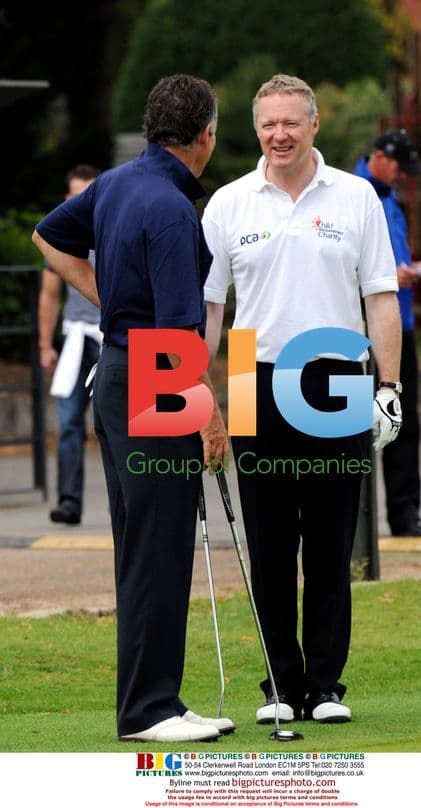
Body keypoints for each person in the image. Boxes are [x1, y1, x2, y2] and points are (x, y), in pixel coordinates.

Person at [32, 74, 233, 743]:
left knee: (144, 547)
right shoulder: (174, 210)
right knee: (159, 546)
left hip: (117, 374)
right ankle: (150, 710)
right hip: (153, 375)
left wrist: (105, 292)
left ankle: (153, 702)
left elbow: (46, 236)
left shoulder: (116, 184)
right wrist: (208, 414)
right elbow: (179, 332)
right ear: (204, 136)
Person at [203, 74, 402, 725]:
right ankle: (280, 686)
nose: (279, 134)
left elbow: (380, 298)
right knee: (267, 542)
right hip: (249, 376)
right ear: (256, 130)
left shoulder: (356, 196)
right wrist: (200, 394)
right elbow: (208, 308)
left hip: (337, 376)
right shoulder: (230, 203)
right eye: (268, 124)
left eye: (291, 122)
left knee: (328, 539)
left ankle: (323, 687)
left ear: (314, 125)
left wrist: (390, 387)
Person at [354, 129, 421, 537]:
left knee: (402, 420)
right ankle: (352, 523)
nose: (403, 176)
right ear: (381, 157)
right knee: (350, 426)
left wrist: (407, 270)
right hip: (359, 334)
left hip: (400, 326)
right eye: (400, 167)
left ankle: (404, 512)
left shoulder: (390, 199)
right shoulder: (352, 196)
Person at [38, 165, 102, 525]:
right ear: (67, 198)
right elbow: (49, 297)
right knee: (68, 424)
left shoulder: (112, 229)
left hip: (113, 338)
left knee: (122, 426)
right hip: (77, 338)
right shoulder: (61, 235)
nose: (81, 202)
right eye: (75, 195)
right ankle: (69, 502)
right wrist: (46, 345)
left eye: (88, 194)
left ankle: (123, 502)